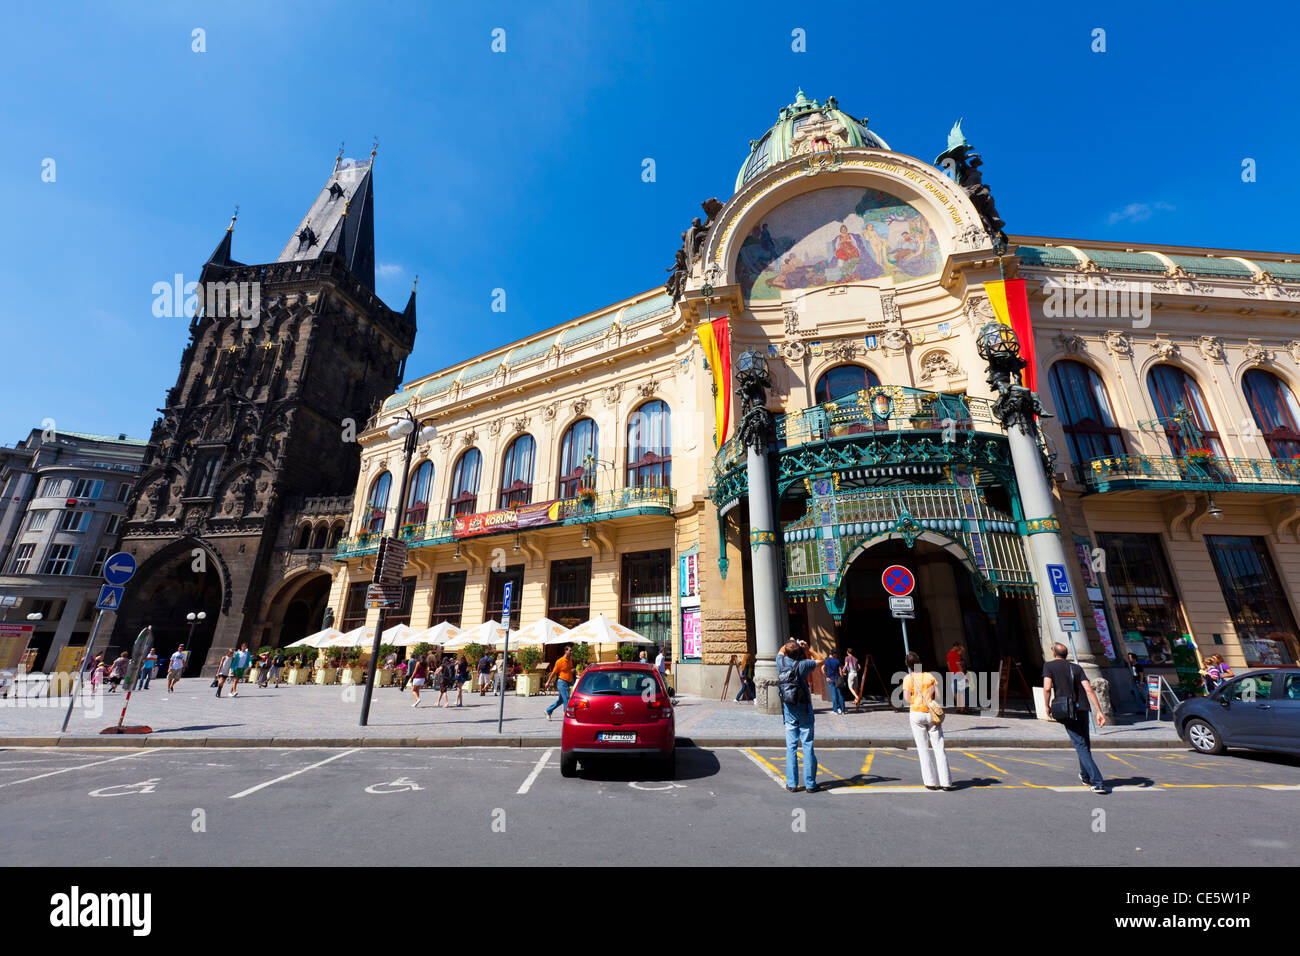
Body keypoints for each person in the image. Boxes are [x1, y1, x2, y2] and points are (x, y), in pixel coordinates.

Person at [1042, 642, 1107, 794]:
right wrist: (1099, 711)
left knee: (1080, 744)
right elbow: (1089, 689)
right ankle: (1085, 776)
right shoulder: (1076, 667)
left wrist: (1046, 705)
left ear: (1054, 653)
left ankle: (1097, 781)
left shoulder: (1049, 666)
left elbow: (1046, 688)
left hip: (1067, 710)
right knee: (1084, 743)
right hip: (1083, 708)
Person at [777, 639, 823, 793]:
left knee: (791, 747)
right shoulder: (803, 665)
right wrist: (808, 648)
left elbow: (781, 651)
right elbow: (821, 660)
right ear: (799, 652)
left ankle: (792, 784)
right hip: (804, 708)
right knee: (807, 744)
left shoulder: (781, 662)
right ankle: (810, 784)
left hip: (789, 708)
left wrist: (791, 643)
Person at [903, 652, 953, 791]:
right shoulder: (929, 676)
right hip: (931, 713)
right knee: (939, 747)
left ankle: (930, 782)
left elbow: (907, 699)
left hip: (916, 713)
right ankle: (946, 782)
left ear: (908, 665)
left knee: (923, 748)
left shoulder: (908, 678)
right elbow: (938, 695)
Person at [545, 645, 577, 720]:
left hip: (567, 683)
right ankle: (567, 716)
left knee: (561, 700)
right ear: (565, 651)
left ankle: (548, 711)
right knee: (567, 699)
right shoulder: (559, 661)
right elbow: (553, 673)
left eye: (571, 650)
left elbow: (569, 670)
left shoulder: (570, 660)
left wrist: (572, 671)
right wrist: (548, 682)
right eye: (570, 650)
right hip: (561, 682)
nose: (571, 652)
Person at [946, 643, 967, 712]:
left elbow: (948, 665)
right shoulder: (956, 654)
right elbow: (958, 665)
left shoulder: (948, 654)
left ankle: (958, 707)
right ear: (957, 647)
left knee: (955, 691)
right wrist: (964, 675)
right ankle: (962, 708)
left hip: (953, 674)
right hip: (959, 674)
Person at [824, 649, 845, 714]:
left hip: (831, 679)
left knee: (834, 695)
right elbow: (841, 670)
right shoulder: (837, 661)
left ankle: (835, 710)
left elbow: (822, 668)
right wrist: (842, 678)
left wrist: (826, 677)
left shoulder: (826, 660)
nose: (836, 655)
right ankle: (843, 710)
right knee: (840, 695)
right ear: (833, 654)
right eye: (835, 654)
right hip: (838, 679)